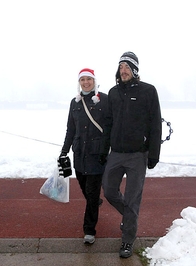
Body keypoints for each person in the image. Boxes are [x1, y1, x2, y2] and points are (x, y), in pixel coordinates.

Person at [99, 52, 162, 258]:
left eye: (127, 67)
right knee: (108, 190)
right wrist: (104, 150)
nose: (123, 71)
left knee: (133, 199)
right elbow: (108, 124)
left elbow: (155, 125)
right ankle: (128, 217)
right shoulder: (113, 93)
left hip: (137, 155)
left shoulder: (148, 91)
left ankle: (127, 240)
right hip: (116, 153)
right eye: (120, 67)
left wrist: (154, 153)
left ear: (134, 70)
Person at [60, 68, 108, 245]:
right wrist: (64, 151)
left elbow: (110, 126)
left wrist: (105, 149)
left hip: (97, 154)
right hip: (79, 154)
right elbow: (70, 129)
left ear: (94, 81)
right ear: (79, 83)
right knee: (84, 187)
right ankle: (94, 202)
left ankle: (89, 230)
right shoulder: (75, 103)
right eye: (82, 80)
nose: (86, 82)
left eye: (89, 79)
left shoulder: (104, 99)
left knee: (92, 192)